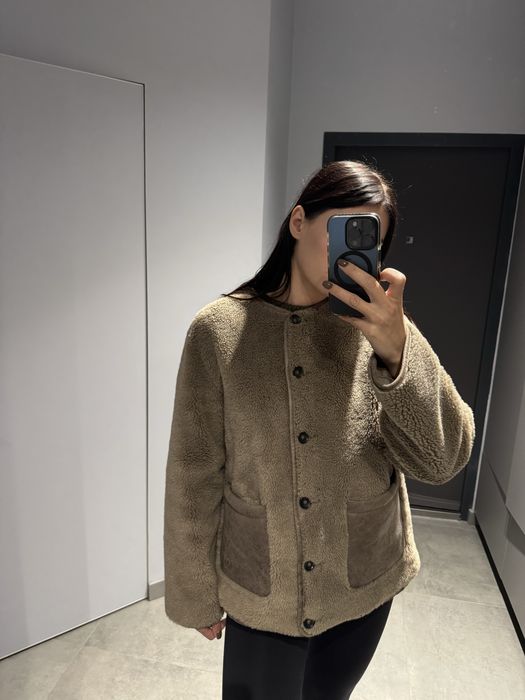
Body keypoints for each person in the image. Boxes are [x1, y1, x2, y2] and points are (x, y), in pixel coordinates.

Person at [163, 160, 476, 699]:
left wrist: (397, 349)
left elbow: (443, 458)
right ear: (298, 222)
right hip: (264, 582)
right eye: (341, 228)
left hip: (362, 575)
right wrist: (194, 591)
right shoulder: (218, 331)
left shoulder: (383, 330)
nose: (347, 252)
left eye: (368, 238)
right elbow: (193, 470)